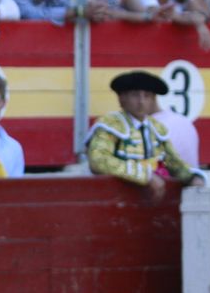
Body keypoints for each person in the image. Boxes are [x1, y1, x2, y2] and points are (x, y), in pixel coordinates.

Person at [86, 70, 203, 201]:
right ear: (122, 98)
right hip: (115, 198)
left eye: (147, 96)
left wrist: (193, 177)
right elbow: (98, 161)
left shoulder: (157, 128)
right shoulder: (110, 124)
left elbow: (173, 163)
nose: (141, 101)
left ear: (153, 99)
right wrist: (146, 176)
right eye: (135, 95)